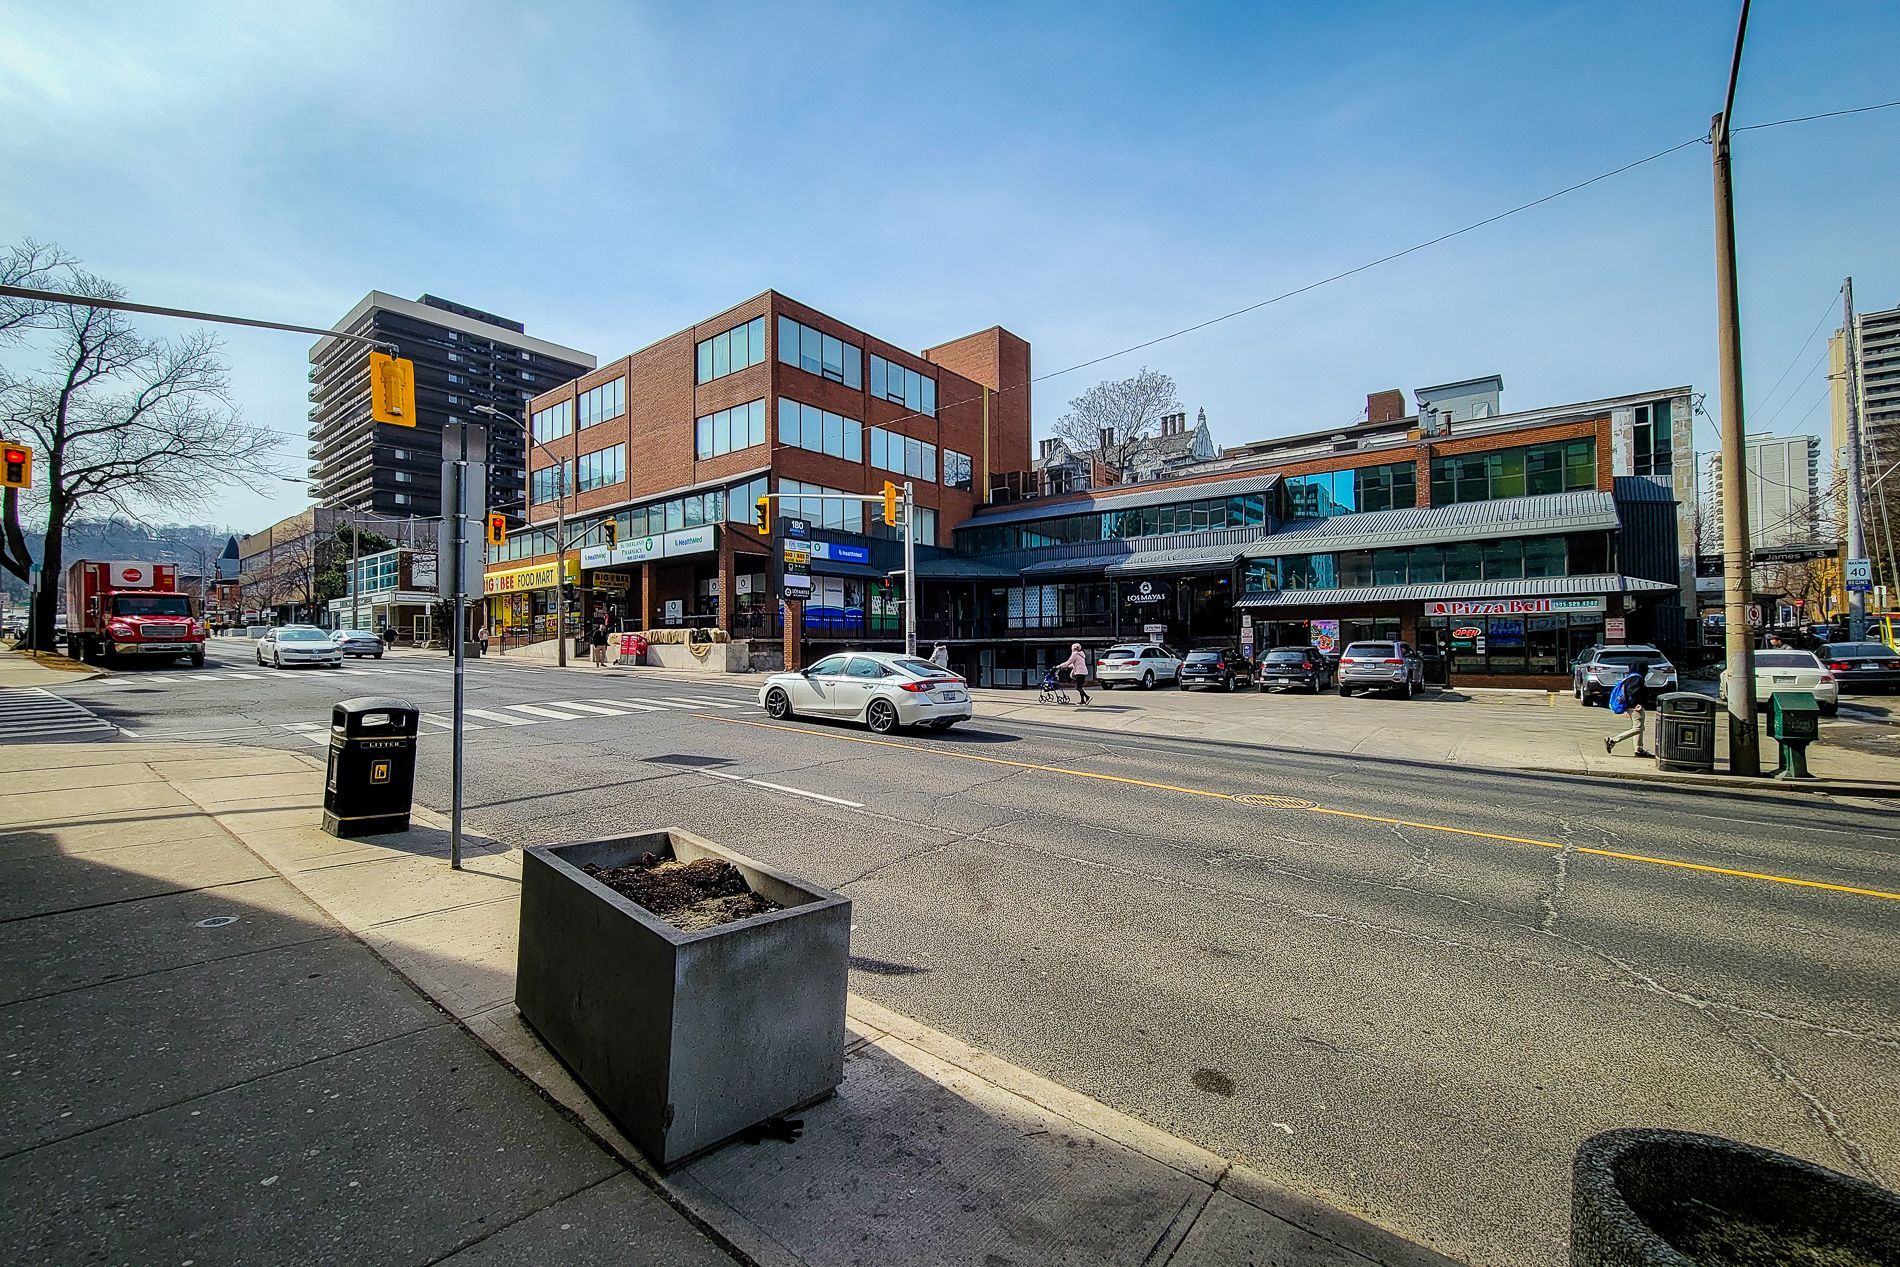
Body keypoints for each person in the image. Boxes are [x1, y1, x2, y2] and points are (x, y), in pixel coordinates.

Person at [1604, 660, 1653, 756]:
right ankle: (1613, 740)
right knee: (1638, 728)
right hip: (1636, 707)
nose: (1647, 670)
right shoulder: (1636, 678)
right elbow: (1633, 692)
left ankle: (1639, 749)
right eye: (1645, 668)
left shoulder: (1630, 677)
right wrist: (1637, 704)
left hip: (1632, 706)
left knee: (1637, 727)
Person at [1056, 642, 1091, 706]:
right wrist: (1067, 666)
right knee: (1080, 687)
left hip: (1079, 672)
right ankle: (1082, 701)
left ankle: (1087, 697)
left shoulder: (1075, 654)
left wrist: (1059, 666)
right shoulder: (1081, 654)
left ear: (1073, 648)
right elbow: (1074, 664)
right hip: (1084, 672)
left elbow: (1068, 662)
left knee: (1078, 687)